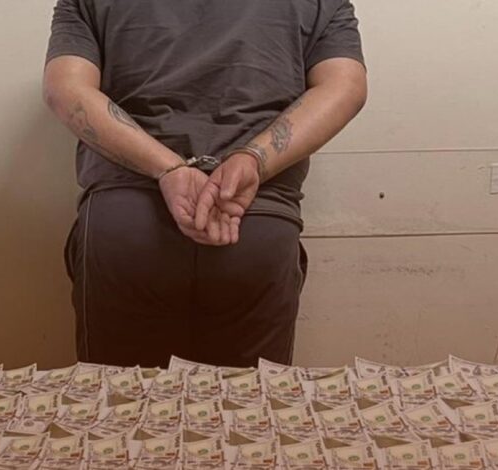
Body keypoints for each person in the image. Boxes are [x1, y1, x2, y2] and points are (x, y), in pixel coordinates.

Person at [43, 0, 367, 368]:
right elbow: (346, 87)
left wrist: (169, 169)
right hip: (252, 219)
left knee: (122, 400)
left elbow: (64, 89)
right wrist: (253, 159)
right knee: (246, 401)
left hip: (128, 224)